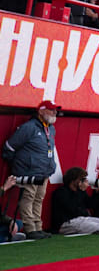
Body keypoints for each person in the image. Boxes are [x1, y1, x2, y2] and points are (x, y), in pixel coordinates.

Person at [1, 100, 59, 239]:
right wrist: (21, 165)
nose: (54, 113)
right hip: (28, 172)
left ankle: (38, 227)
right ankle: (30, 228)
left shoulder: (50, 128)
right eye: (51, 110)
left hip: (44, 172)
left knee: (38, 199)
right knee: (29, 198)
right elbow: (9, 147)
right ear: (41, 111)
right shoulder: (28, 127)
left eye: (55, 110)